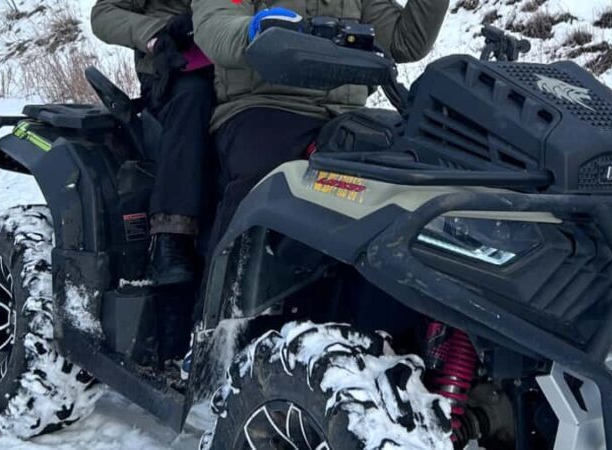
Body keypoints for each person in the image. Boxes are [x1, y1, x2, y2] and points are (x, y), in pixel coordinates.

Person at [191, 0, 449, 251]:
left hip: (346, 114)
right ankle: (228, 283)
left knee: (412, 173)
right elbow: (215, 24)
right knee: (263, 178)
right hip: (265, 104)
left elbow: (404, 41)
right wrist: (254, 30)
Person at [91, 0, 215, 287]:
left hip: (237, 64)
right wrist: (156, 34)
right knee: (193, 97)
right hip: (174, 69)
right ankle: (171, 233)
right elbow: (104, 14)